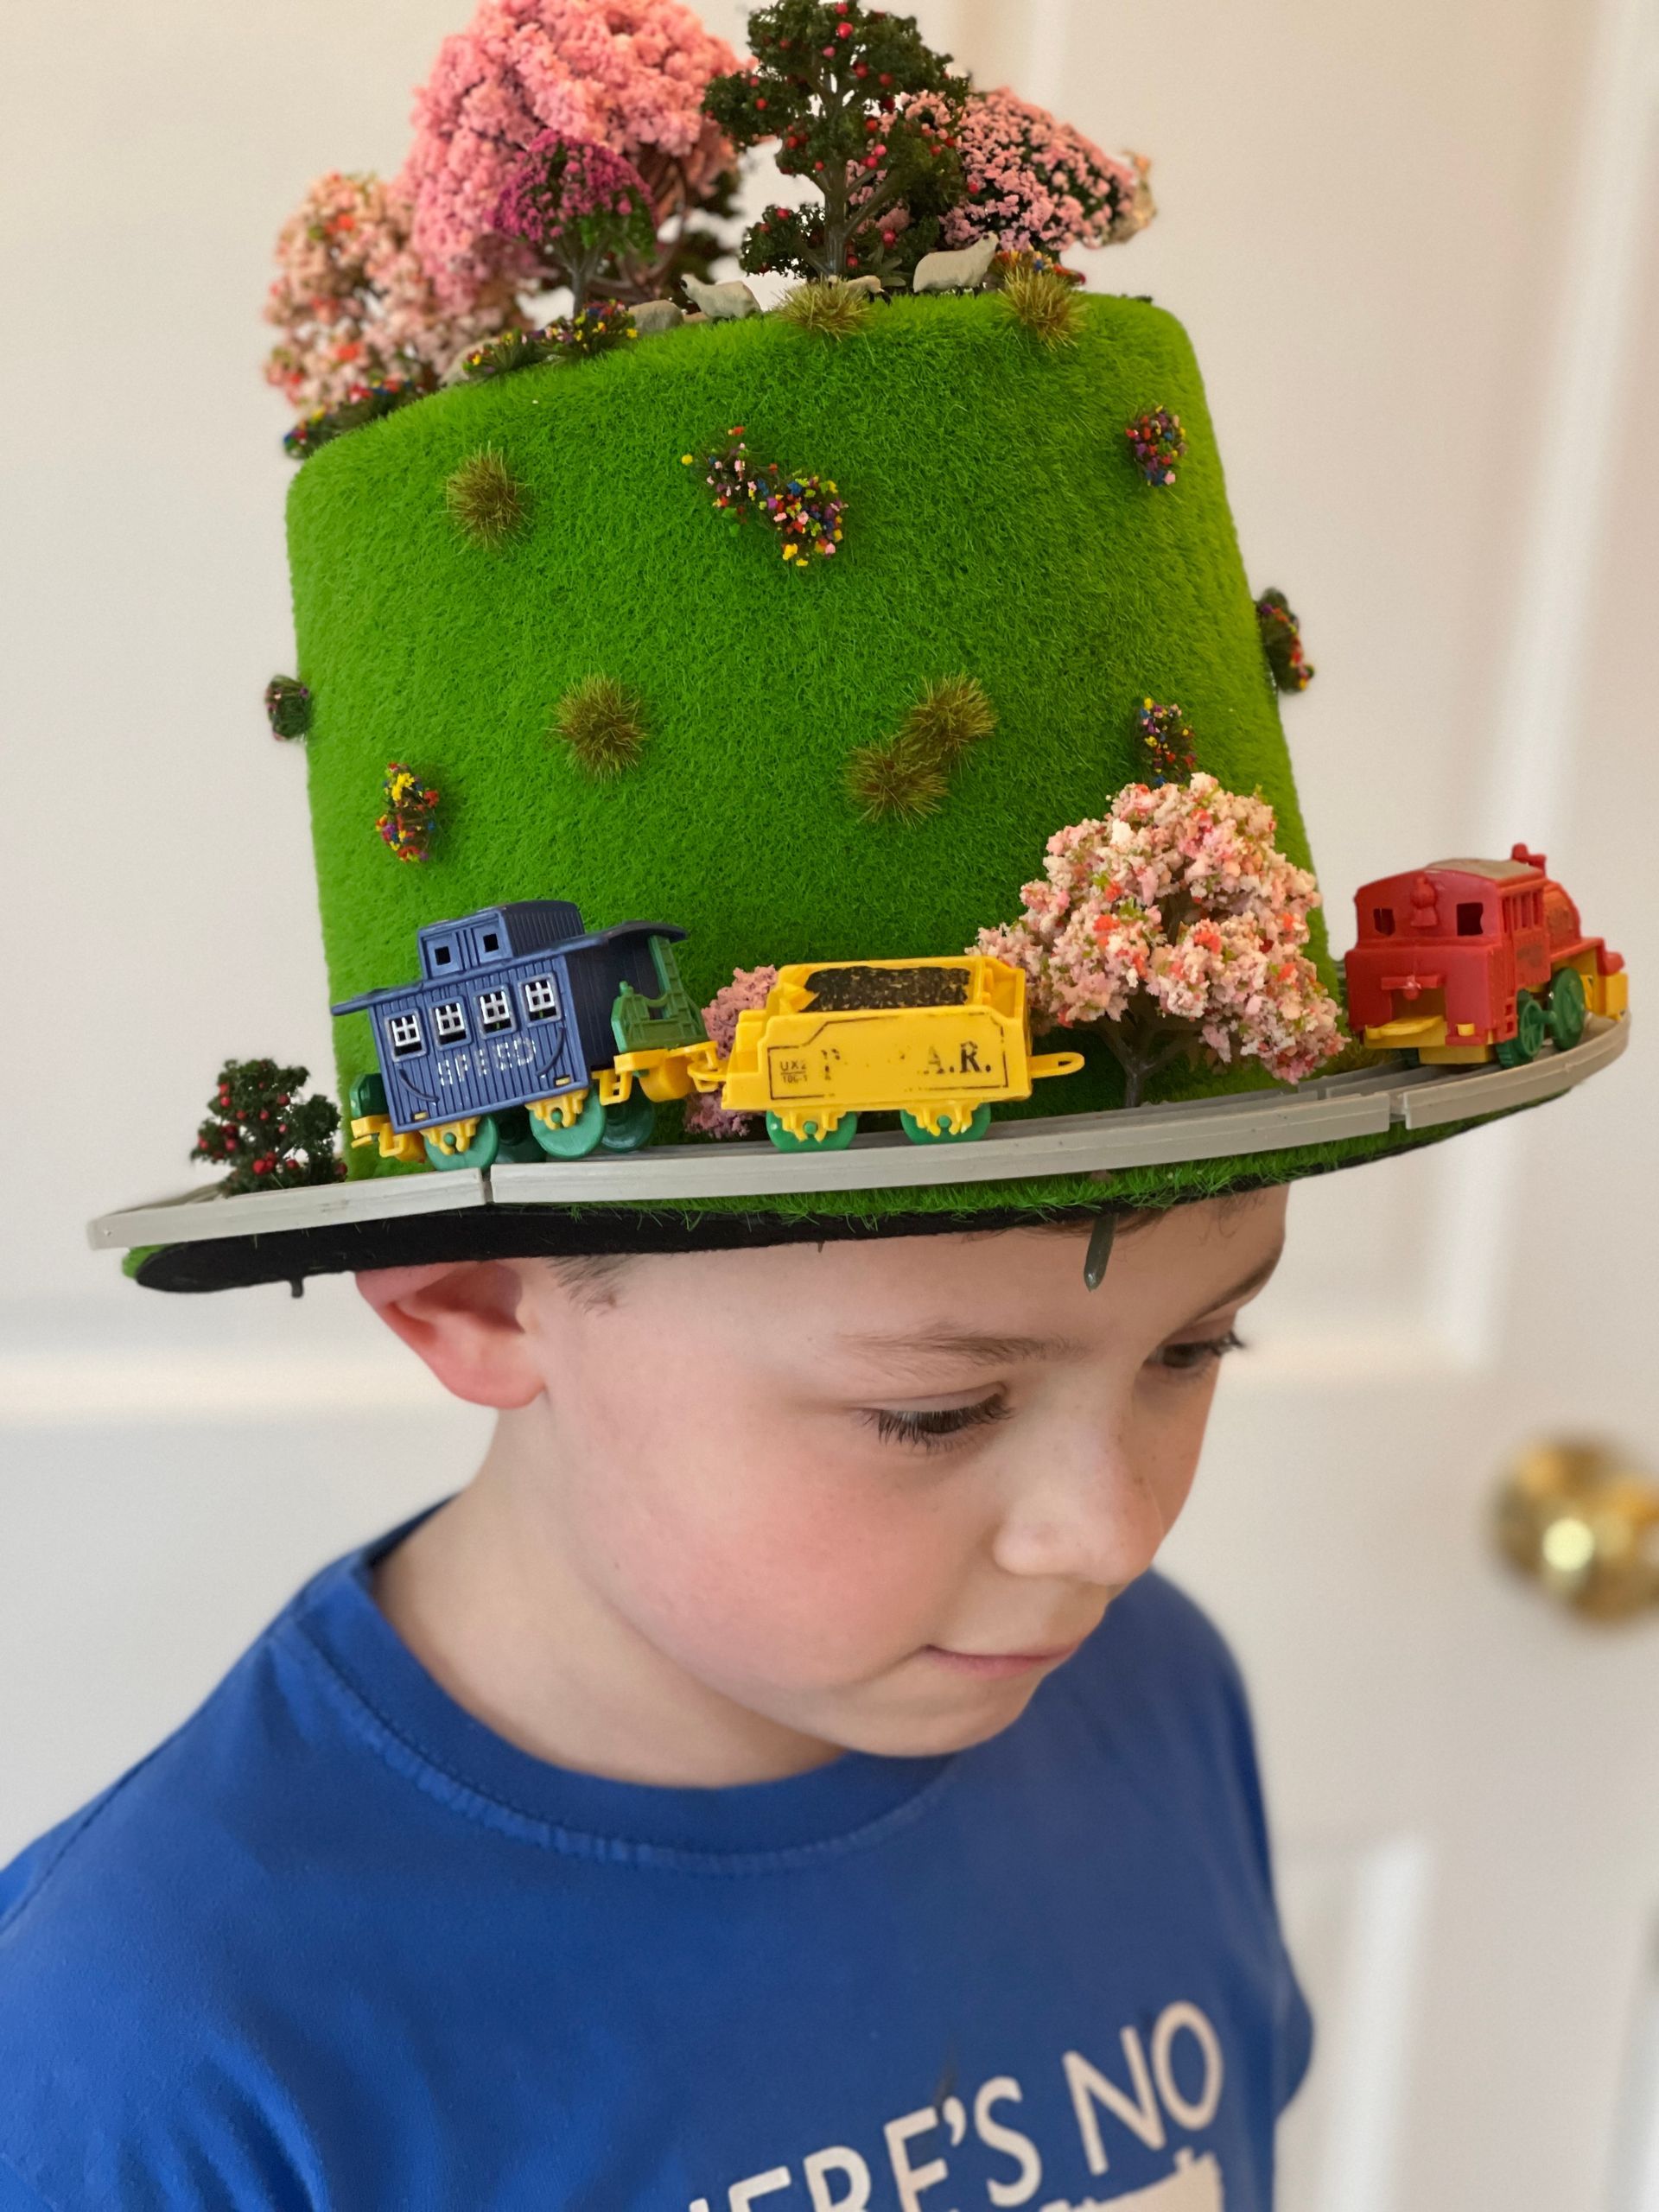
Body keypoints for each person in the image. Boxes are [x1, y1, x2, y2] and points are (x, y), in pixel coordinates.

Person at [0, 1197, 1308, 2209]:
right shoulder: (142, 2048)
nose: (1110, 1537)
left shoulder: (1149, 1688)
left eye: (1194, 1346)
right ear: (482, 1299)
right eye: (935, 1413)